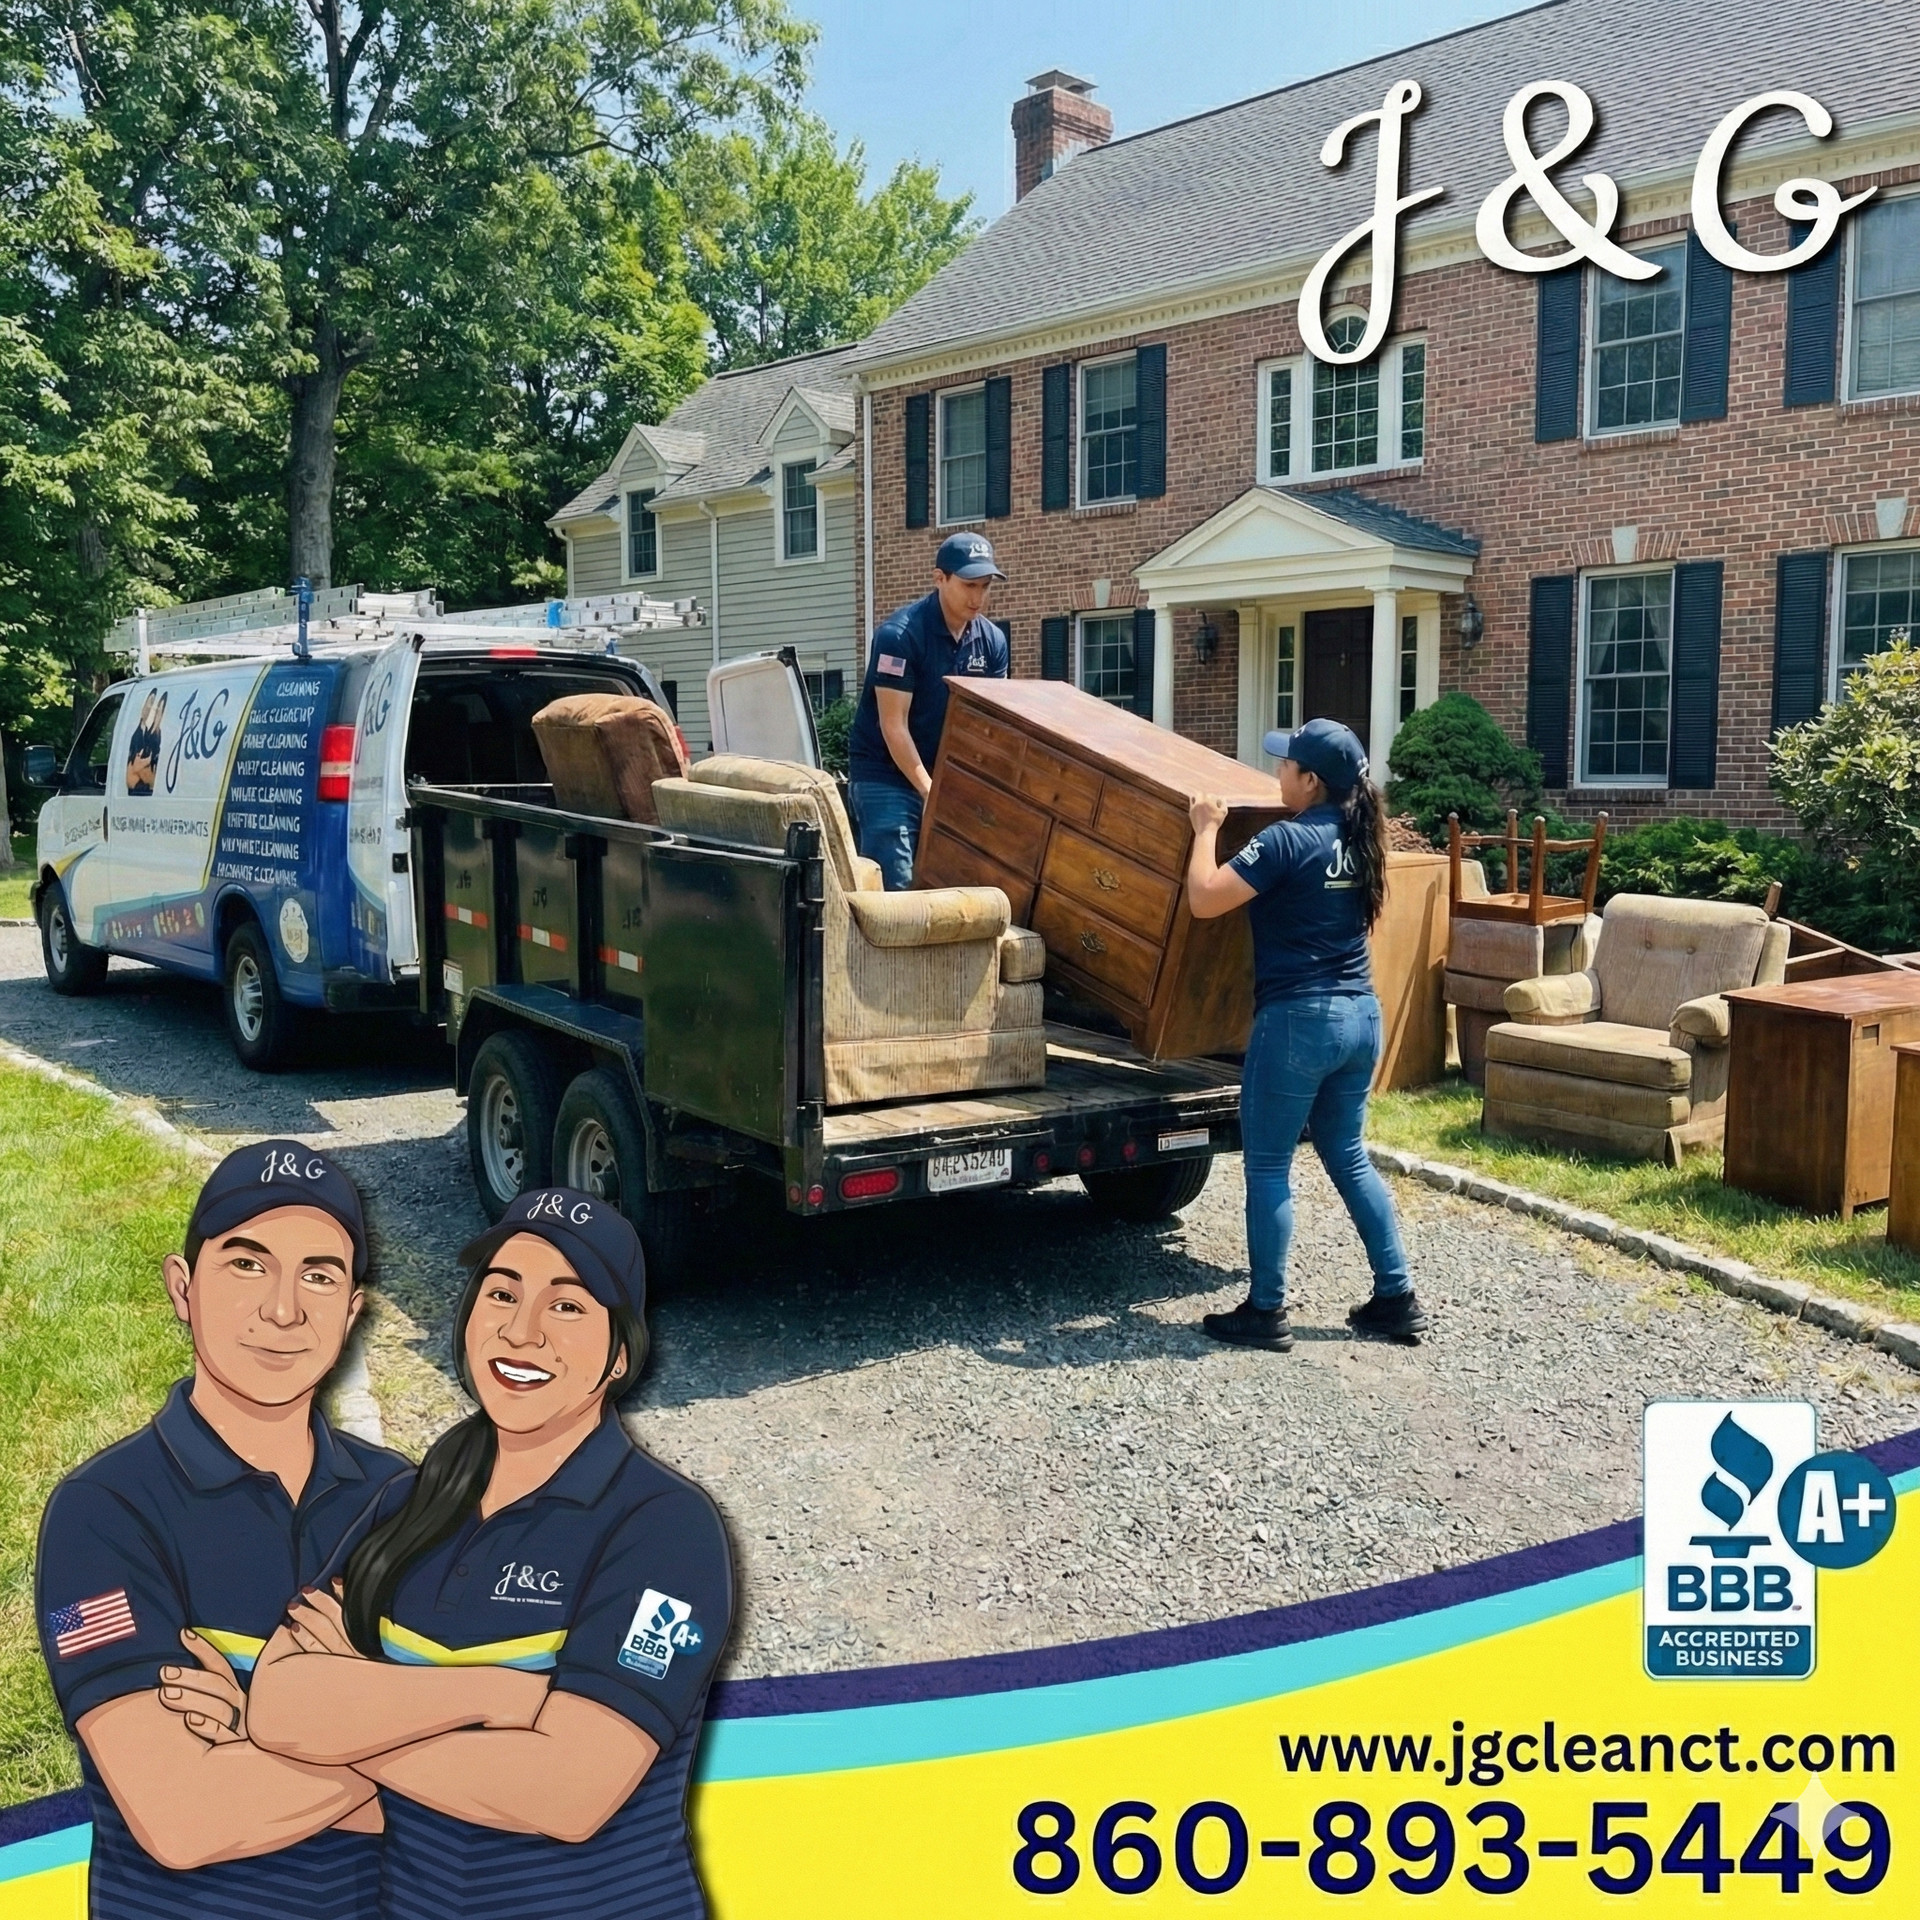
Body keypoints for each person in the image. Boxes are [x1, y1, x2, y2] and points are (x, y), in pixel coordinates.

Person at [244, 1188, 733, 1920]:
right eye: (502, 1293)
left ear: (620, 1353)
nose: (522, 1331)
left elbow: (569, 1791)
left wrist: (348, 1720)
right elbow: (277, 1703)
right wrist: (496, 1696)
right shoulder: (407, 1504)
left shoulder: (665, 1528)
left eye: (567, 1306)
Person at [35, 1140, 408, 1916]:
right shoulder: (102, 1512)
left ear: (351, 1310)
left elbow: (515, 1808)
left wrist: (259, 1737)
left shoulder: (402, 1500)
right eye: (247, 1264)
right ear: (183, 1287)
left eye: (318, 1275)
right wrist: (405, 1734)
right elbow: (183, 1816)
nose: (283, 1308)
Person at [1184, 718, 1428, 1353]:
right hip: (1359, 1017)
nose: (1277, 772)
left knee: (1268, 1163)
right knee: (1347, 1155)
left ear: (1311, 781)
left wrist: (1206, 828)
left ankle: (1265, 1310)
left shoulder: (1287, 841)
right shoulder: (1360, 837)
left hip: (1298, 1021)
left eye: (1286, 764)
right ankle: (1395, 1298)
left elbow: (1205, 899)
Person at [846, 531, 1009, 889]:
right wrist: (928, 790)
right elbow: (893, 726)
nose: (978, 597)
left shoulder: (993, 641)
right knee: (897, 889)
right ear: (940, 579)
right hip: (884, 774)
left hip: (944, 777)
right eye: (969, 585)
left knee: (951, 885)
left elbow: (988, 727)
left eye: (985, 586)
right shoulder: (899, 636)